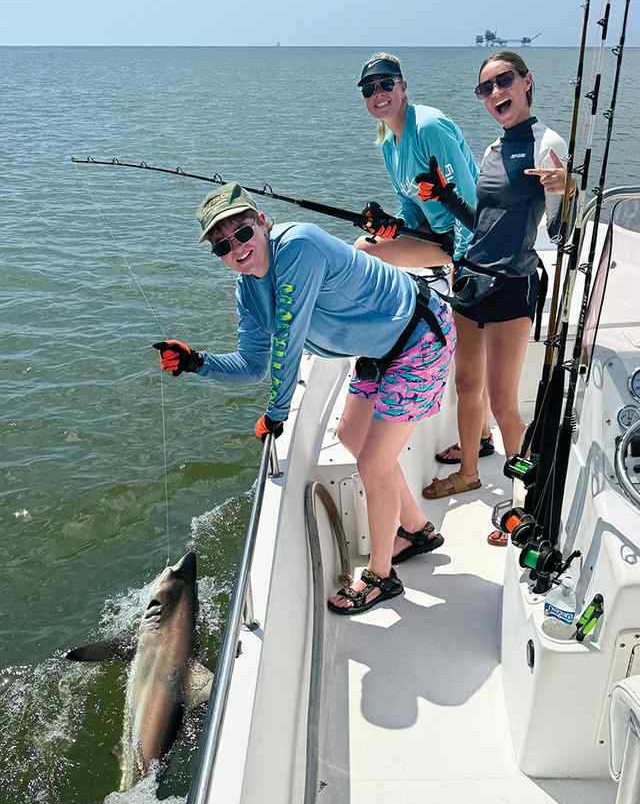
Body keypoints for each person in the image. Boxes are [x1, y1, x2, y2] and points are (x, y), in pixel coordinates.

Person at [154, 182, 456, 614]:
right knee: (352, 435)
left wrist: (276, 412)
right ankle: (417, 530)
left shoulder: (299, 246)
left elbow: (289, 343)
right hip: (380, 350)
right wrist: (197, 362)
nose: (236, 249)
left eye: (242, 233)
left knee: (373, 463)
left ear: (262, 222)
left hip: (420, 337)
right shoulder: (248, 291)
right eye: (222, 245)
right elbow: (253, 363)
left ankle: (382, 577)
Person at [417, 51, 574, 546]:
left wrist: (567, 189)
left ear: (527, 82)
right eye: (484, 88)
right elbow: (480, 224)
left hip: (511, 287)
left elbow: (561, 229)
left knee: (504, 401)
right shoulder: (490, 150)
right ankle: (468, 471)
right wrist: (444, 196)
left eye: (503, 81)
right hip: (471, 282)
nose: (494, 93)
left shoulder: (547, 144)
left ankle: (523, 502)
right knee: (466, 386)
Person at [354, 51, 495, 463]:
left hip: (473, 244)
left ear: (402, 87)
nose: (378, 94)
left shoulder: (429, 127)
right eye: (369, 89)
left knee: (467, 355)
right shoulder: (387, 142)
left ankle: (481, 437)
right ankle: (388, 337)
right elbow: (414, 213)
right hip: (442, 240)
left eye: (385, 84)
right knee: (369, 245)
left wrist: (463, 270)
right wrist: (391, 226)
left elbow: (471, 205)